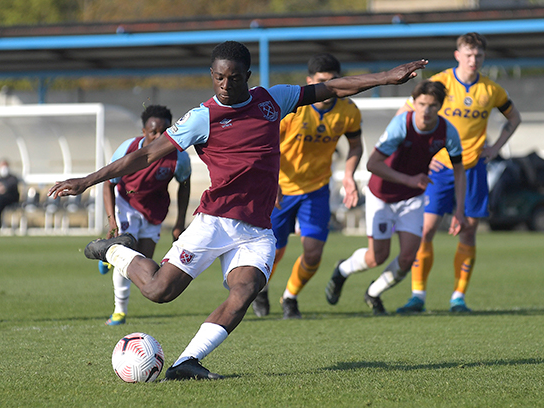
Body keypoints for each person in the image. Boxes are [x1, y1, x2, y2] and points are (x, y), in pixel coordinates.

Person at [49, 40, 427, 381]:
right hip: (214, 222)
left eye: (232, 78)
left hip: (258, 230)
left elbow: (331, 88)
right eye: (218, 78)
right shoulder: (202, 117)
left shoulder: (271, 99)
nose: (225, 86)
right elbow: (146, 154)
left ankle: (186, 362)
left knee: (245, 290)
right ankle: (113, 250)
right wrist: (88, 180)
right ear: (211, 76)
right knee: (160, 291)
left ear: (246, 76)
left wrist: (385, 77)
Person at [395, 32, 522, 314]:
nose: (473, 60)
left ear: (483, 57)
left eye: (478, 55)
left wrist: (496, 148)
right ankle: (418, 295)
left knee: (468, 231)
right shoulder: (439, 83)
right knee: (425, 230)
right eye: (468, 54)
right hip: (438, 169)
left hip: (473, 168)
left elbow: (514, 118)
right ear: (457, 55)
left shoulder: (491, 90)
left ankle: (458, 297)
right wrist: (418, 154)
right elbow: (405, 114)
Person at [324, 80, 466, 315]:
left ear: (440, 106)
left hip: (412, 198)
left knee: (408, 256)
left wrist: (459, 209)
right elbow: (372, 164)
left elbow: (459, 171)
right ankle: (343, 269)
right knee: (376, 257)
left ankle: (373, 293)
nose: (426, 111)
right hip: (382, 195)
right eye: (421, 104)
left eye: (432, 105)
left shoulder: (447, 131)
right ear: (414, 103)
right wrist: (409, 179)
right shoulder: (402, 124)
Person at [251, 53, 364, 319]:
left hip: (316, 190)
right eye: (322, 81)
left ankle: (290, 297)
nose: (328, 87)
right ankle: (261, 290)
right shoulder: (293, 110)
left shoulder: (348, 111)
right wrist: (272, 179)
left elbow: (356, 145)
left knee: (313, 253)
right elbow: (266, 146)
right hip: (282, 189)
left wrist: (348, 176)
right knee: (274, 252)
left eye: (334, 81)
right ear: (310, 81)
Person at [98, 104, 191, 326]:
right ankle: (119, 312)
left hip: (154, 211)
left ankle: (108, 254)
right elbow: (108, 184)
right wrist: (112, 220)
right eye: (153, 132)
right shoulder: (127, 150)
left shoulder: (178, 157)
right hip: (126, 204)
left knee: (144, 265)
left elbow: (184, 184)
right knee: (127, 256)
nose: (159, 136)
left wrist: (179, 222)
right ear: (143, 132)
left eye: (164, 132)